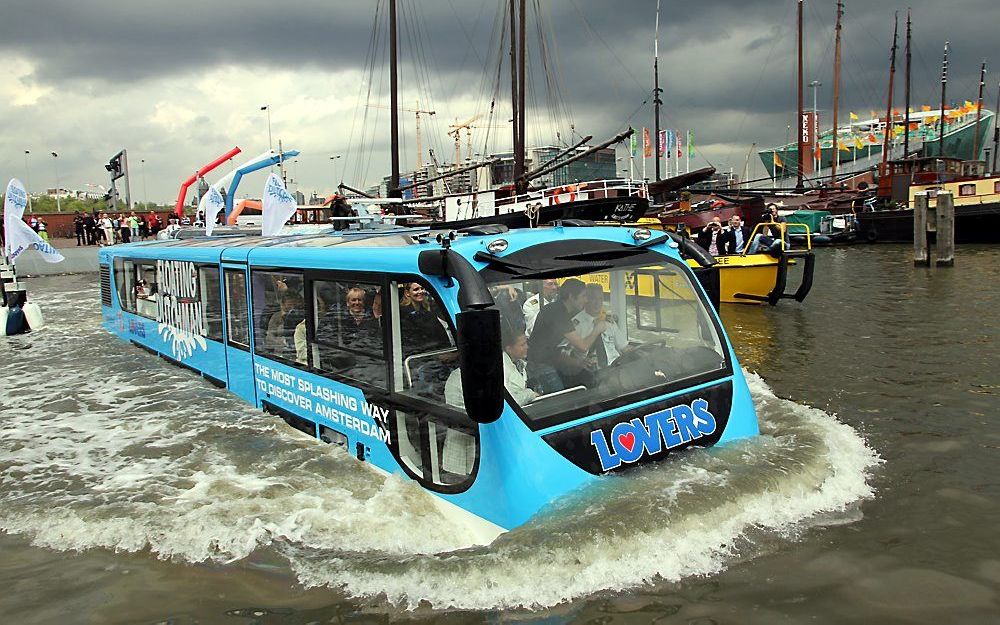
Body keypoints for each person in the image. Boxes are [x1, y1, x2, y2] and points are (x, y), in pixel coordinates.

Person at [526, 278, 606, 394]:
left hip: (552, 359)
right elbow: (583, 346)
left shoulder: (565, 310)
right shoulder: (558, 313)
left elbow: (556, 349)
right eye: (584, 296)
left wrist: (579, 363)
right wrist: (597, 329)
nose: (587, 300)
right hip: (541, 364)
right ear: (571, 297)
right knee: (560, 398)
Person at [573, 283, 630, 367]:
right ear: (586, 299)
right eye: (594, 298)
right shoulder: (576, 323)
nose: (598, 303)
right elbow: (565, 354)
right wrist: (579, 362)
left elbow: (624, 348)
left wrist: (642, 353)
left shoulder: (609, 321)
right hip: (591, 371)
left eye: (600, 299)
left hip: (615, 368)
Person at [399, 282, 451, 355]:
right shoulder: (402, 313)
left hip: (434, 351)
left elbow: (439, 333)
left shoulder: (428, 311)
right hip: (417, 354)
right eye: (416, 289)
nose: (420, 291)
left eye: (422, 288)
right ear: (407, 293)